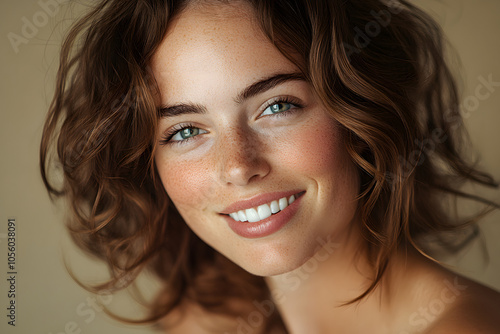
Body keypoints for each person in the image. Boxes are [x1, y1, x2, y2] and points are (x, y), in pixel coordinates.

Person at [40, 0, 500, 333]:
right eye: (184, 131)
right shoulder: (205, 319)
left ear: (361, 116)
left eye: (277, 106)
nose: (239, 166)